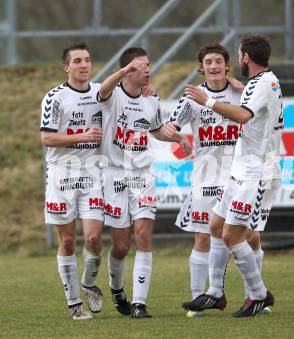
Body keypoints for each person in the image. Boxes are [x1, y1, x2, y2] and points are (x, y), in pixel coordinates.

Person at [182, 34, 283, 317]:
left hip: (257, 172)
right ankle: (215, 292)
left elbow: (242, 115)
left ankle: (259, 295)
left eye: (239, 55)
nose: (238, 59)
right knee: (215, 226)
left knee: (234, 235)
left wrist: (208, 101)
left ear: (245, 58)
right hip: (241, 169)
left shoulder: (262, 83)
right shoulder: (259, 83)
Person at [98, 47, 191, 319]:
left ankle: (139, 303)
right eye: (142, 66)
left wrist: (176, 138)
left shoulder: (152, 100)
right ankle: (117, 290)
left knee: (143, 234)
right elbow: (102, 89)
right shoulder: (112, 96)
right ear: (128, 70)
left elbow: (156, 130)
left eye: (149, 64)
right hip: (114, 175)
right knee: (121, 245)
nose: (148, 69)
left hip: (142, 175)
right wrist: (123, 72)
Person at [40, 42, 104, 320]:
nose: (84, 65)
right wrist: (81, 137)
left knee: (93, 238)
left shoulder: (102, 93)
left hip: (92, 173)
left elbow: (129, 96)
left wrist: (147, 91)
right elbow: (47, 138)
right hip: (61, 174)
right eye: (77, 61)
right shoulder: (54, 98)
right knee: (67, 242)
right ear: (66, 67)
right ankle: (75, 304)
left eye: (87, 60)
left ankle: (88, 284)